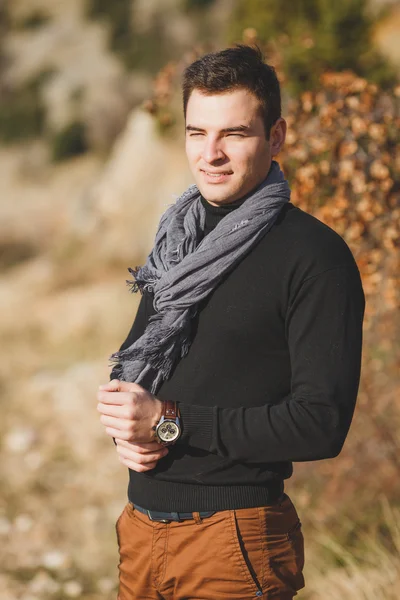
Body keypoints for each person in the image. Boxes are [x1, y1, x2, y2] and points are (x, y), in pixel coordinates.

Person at [97, 45, 365, 600]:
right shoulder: (178, 242)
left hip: (234, 544)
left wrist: (169, 421)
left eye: (234, 134)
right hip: (140, 534)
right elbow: (143, 370)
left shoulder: (314, 257)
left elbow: (321, 424)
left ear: (277, 136)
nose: (210, 154)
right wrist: (129, 428)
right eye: (197, 133)